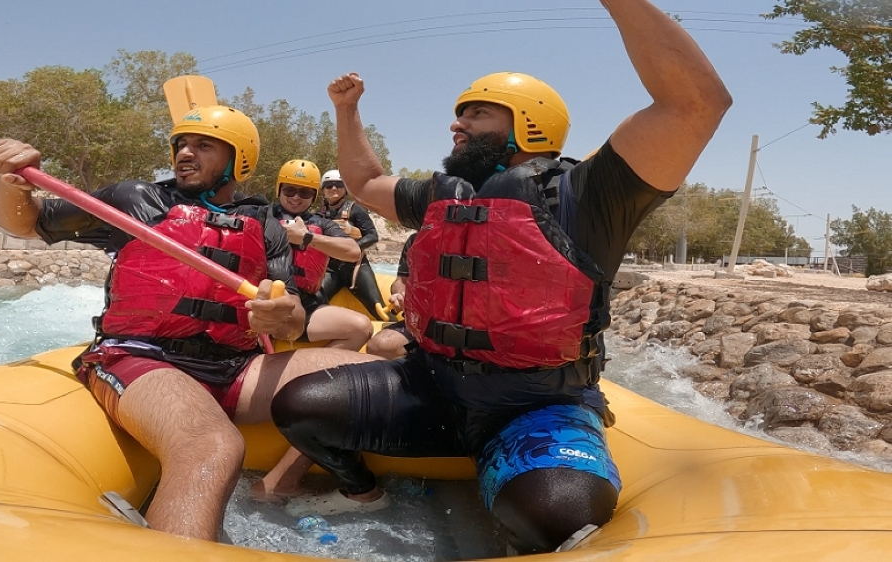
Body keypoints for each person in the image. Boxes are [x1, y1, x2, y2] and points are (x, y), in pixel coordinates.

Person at [271, 1, 731, 554]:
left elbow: (695, 104)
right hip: (432, 389)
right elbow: (366, 179)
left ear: (528, 125)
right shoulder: (444, 195)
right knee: (298, 406)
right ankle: (363, 491)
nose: (455, 124)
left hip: (537, 405)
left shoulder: (588, 195)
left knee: (559, 517)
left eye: (476, 114)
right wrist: (347, 110)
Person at [0, 105, 379, 543]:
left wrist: (280, 315)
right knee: (213, 445)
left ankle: (280, 483)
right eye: (180, 144)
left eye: (203, 145)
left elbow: (293, 315)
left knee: (366, 380)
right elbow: (26, 222)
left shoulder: (266, 222)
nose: (185, 153)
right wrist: (12, 183)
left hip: (235, 368)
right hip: (140, 358)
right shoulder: (135, 200)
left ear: (238, 159)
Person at [271, 159, 373, 351]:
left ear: (314, 195)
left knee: (361, 328)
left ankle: (316, 371)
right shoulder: (261, 215)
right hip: (266, 303)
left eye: (304, 192)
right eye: (289, 190)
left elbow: (353, 252)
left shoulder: (323, 224)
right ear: (279, 189)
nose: (296, 197)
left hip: (306, 305)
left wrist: (307, 237)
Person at [316, 169, 386, 319]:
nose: (334, 188)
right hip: (331, 270)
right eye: (329, 185)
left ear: (345, 188)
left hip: (356, 268)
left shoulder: (356, 210)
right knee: (313, 303)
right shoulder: (318, 215)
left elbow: (372, 235)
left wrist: (352, 247)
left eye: (338, 185)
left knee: (379, 309)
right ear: (323, 190)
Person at [365, 232, 415, 359]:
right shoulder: (416, 240)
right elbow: (401, 281)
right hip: (420, 324)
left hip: (463, 330)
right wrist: (400, 294)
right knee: (377, 346)